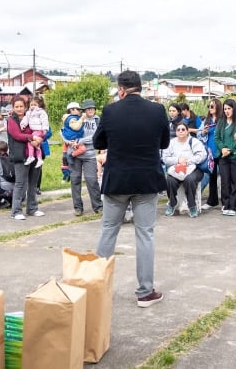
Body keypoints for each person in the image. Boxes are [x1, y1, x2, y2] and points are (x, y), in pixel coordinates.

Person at [93, 70, 169, 308]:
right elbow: (165, 142)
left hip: (117, 181)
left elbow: (98, 142)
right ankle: (145, 293)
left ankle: (96, 289)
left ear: (121, 89)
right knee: (145, 235)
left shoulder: (110, 111)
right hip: (146, 181)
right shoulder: (157, 110)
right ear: (141, 87)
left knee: (108, 230)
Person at [7, 95, 45, 220]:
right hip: (20, 156)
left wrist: (39, 138)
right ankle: (16, 211)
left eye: (21, 106)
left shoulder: (32, 116)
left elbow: (41, 129)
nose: (19, 109)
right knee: (20, 184)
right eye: (16, 106)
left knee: (33, 183)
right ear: (13, 108)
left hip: (35, 154)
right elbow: (17, 135)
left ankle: (32, 208)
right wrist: (31, 138)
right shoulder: (11, 120)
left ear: (25, 107)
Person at [65, 99, 102, 216]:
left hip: (90, 155)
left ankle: (98, 206)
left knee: (92, 180)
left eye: (92, 108)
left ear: (95, 109)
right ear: (84, 110)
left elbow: (95, 137)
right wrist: (69, 141)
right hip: (74, 154)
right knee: (75, 181)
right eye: (87, 108)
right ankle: (78, 208)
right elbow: (65, 133)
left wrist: (80, 140)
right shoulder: (76, 119)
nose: (90, 110)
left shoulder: (98, 121)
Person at [162, 123, 206, 217]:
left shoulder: (194, 141)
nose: (181, 131)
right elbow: (165, 158)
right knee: (169, 180)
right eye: (178, 130)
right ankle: (172, 203)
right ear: (176, 132)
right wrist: (178, 160)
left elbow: (202, 155)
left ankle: (192, 205)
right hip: (177, 170)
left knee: (189, 180)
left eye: (183, 129)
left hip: (193, 169)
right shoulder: (171, 143)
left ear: (187, 131)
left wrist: (188, 161)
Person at [214, 99, 236, 216]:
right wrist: (222, 149)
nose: (227, 111)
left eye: (229, 109)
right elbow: (216, 137)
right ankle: (225, 205)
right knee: (224, 181)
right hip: (223, 156)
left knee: (235, 182)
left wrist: (230, 149)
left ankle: (233, 207)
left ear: (234, 109)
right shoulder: (221, 121)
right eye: (225, 109)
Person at [198, 98, 222, 211]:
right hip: (210, 152)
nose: (210, 108)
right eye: (209, 106)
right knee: (211, 177)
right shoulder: (206, 120)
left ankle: (226, 202)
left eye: (212, 106)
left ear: (217, 106)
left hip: (221, 151)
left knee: (225, 178)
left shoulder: (222, 119)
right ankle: (212, 201)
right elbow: (199, 134)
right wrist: (203, 132)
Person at [19, 95, 49, 168]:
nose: (33, 106)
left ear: (39, 105)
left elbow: (44, 120)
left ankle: (31, 156)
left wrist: (45, 129)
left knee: (30, 143)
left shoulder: (41, 112)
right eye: (31, 104)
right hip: (34, 130)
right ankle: (39, 159)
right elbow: (26, 119)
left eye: (35, 105)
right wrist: (23, 124)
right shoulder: (29, 112)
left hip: (39, 130)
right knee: (36, 145)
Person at [61, 101, 85, 166]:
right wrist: (82, 118)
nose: (79, 111)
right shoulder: (72, 119)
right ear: (71, 110)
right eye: (77, 109)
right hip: (73, 138)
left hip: (68, 138)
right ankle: (70, 155)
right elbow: (76, 127)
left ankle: (65, 156)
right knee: (83, 149)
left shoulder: (67, 118)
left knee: (65, 149)